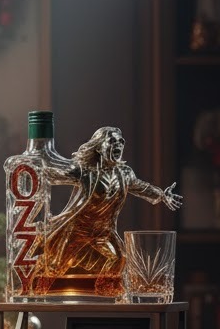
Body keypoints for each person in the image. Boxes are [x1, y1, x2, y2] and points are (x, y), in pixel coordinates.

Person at [30, 126, 182, 296]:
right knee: (55, 266)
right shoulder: (86, 171)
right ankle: (34, 292)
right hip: (78, 229)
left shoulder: (125, 173)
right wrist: (35, 168)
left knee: (119, 258)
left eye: (120, 142)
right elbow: (56, 174)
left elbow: (142, 187)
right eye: (112, 141)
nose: (118, 145)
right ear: (99, 146)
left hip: (103, 231)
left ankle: (106, 291)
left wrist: (162, 195)